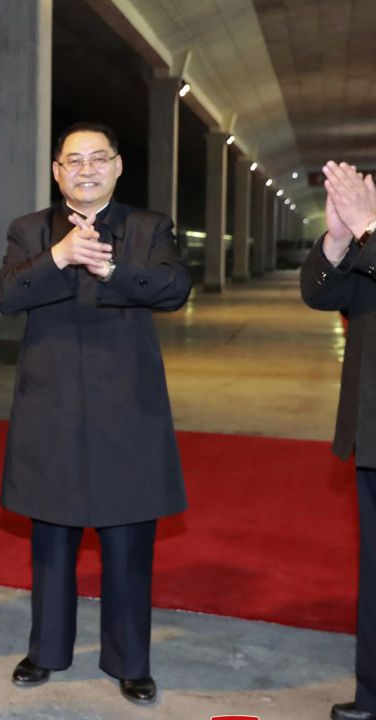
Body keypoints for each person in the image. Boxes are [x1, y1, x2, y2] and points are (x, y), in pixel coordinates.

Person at [0, 121, 191, 705]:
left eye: (97, 158)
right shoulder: (30, 230)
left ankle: (130, 662)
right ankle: (46, 651)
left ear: (118, 166)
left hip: (127, 407)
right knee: (51, 536)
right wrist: (57, 257)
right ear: (57, 171)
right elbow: (4, 294)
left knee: (128, 538)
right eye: (73, 161)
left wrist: (112, 270)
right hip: (49, 404)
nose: (85, 169)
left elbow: (175, 287)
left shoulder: (148, 227)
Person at [301, 160, 376, 720]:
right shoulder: (369, 217)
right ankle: (373, 694)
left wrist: (369, 229)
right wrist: (338, 238)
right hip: (371, 424)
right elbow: (322, 295)